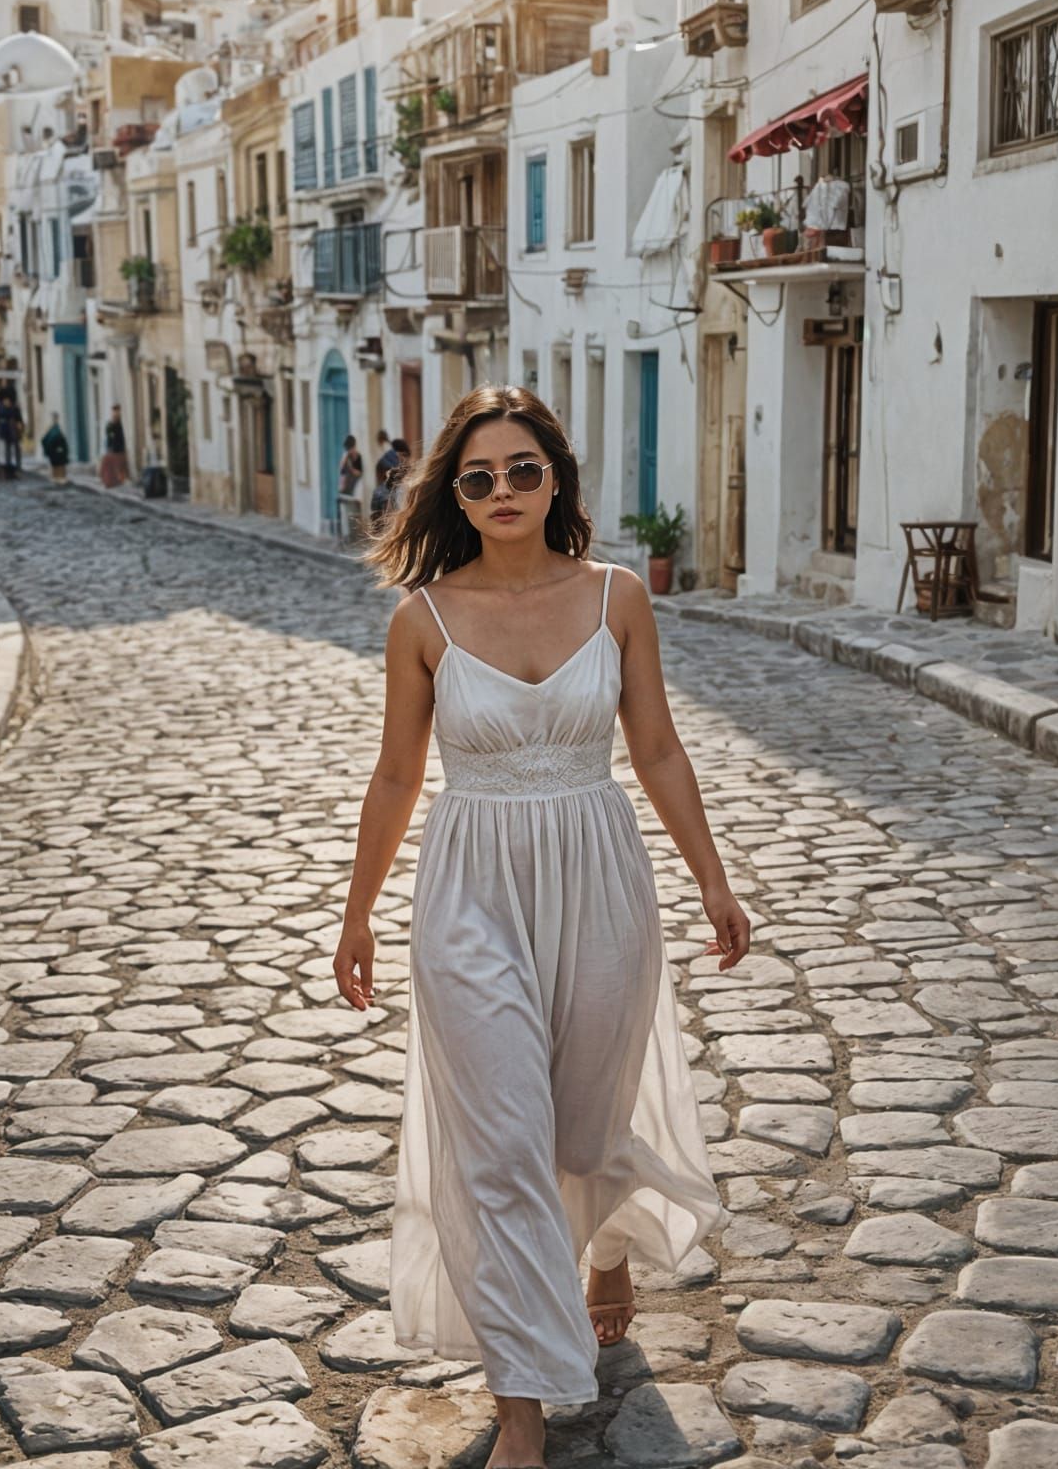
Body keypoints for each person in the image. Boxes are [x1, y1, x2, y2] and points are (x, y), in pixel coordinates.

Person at [333, 386, 750, 1469]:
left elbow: (656, 749)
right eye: (479, 477)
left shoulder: (616, 598)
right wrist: (358, 913)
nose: (504, 490)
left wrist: (713, 879)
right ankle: (521, 1400)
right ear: (454, 496)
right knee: (505, 1148)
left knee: (580, 1125)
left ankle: (609, 1237)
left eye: (523, 470)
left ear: (556, 477)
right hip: (470, 891)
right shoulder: (420, 619)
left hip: (600, 878)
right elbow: (394, 773)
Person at [368, 436, 410, 526]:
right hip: (387, 493)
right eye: (404, 456)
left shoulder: (387, 456)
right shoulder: (394, 459)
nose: (405, 459)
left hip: (381, 494)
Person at [0, 391, 24, 480]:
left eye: (7, 400)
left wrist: (19, 427)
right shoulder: (0, 408)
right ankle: (6, 467)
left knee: (15, 449)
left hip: (13, 431)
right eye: (5, 400)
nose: (6, 401)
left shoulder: (14, 408)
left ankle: (16, 467)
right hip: (3, 431)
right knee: (5, 449)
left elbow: (19, 419)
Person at [100, 404, 130, 488]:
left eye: (117, 412)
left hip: (121, 449)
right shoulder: (110, 425)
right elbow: (109, 437)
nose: (116, 414)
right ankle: (110, 481)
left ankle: (121, 480)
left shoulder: (121, 423)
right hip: (113, 449)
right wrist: (109, 448)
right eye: (114, 412)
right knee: (109, 466)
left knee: (120, 466)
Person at [41, 414, 71, 484]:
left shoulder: (55, 428)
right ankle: (58, 479)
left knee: (58, 468)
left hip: (57, 452)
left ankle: (58, 479)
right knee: (57, 468)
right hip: (56, 452)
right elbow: (45, 440)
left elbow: (44, 440)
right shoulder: (53, 429)